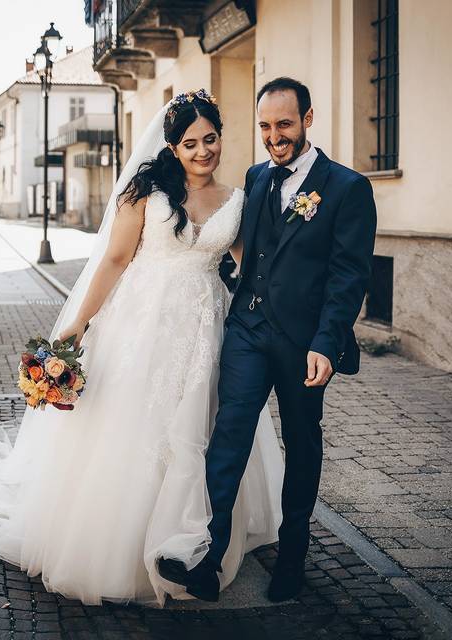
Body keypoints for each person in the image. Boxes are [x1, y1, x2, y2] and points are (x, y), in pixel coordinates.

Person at [0, 90, 284, 606]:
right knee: (134, 428)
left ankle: (189, 543)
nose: (203, 151)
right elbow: (114, 262)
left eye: (210, 139)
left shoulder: (237, 199)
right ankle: (120, 545)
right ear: (171, 146)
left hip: (206, 332)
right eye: (189, 143)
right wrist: (77, 326)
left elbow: (248, 265)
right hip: (141, 326)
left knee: (199, 428)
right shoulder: (144, 194)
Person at [159, 77, 377, 603]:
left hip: (305, 346)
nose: (274, 135)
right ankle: (209, 557)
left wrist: (327, 342)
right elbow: (245, 253)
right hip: (248, 332)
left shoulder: (346, 188)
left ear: (307, 119)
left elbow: (348, 276)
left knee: (302, 444)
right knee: (228, 434)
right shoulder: (256, 178)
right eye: (264, 126)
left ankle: (293, 556)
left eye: (284, 124)